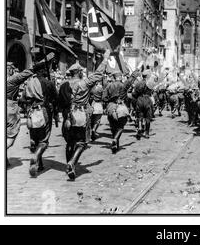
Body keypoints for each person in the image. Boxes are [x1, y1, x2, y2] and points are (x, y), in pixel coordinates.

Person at [60, 50, 110, 180]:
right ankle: (72, 163)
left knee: (69, 143)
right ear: (78, 72)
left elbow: (58, 101)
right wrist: (105, 59)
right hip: (80, 116)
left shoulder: (63, 85)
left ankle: (68, 165)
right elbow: (98, 74)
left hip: (67, 117)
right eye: (81, 71)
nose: (82, 72)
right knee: (81, 143)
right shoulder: (84, 83)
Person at [6, 53, 55, 166]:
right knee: (10, 136)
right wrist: (46, 60)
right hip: (9, 108)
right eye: (10, 69)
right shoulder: (11, 81)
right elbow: (30, 70)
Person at [21, 57, 58, 177]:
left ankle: (39, 165)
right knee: (44, 141)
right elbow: (55, 98)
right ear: (42, 70)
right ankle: (35, 157)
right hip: (44, 111)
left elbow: (23, 99)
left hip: (32, 113)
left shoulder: (29, 83)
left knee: (36, 139)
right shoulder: (48, 83)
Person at [103, 70, 137, 153]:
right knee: (121, 127)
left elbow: (104, 98)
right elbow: (129, 83)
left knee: (113, 127)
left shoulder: (108, 85)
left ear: (114, 77)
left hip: (111, 106)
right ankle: (115, 139)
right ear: (119, 77)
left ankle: (115, 144)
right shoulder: (123, 85)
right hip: (121, 107)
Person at [133, 69, 153, 139]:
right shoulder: (150, 83)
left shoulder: (138, 83)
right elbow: (152, 91)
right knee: (148, 117)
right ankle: (147, 133)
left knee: (139, 116)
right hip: (147, 99)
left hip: (140, 100)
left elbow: (134, 94)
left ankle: (139, 130)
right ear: (147, 76)